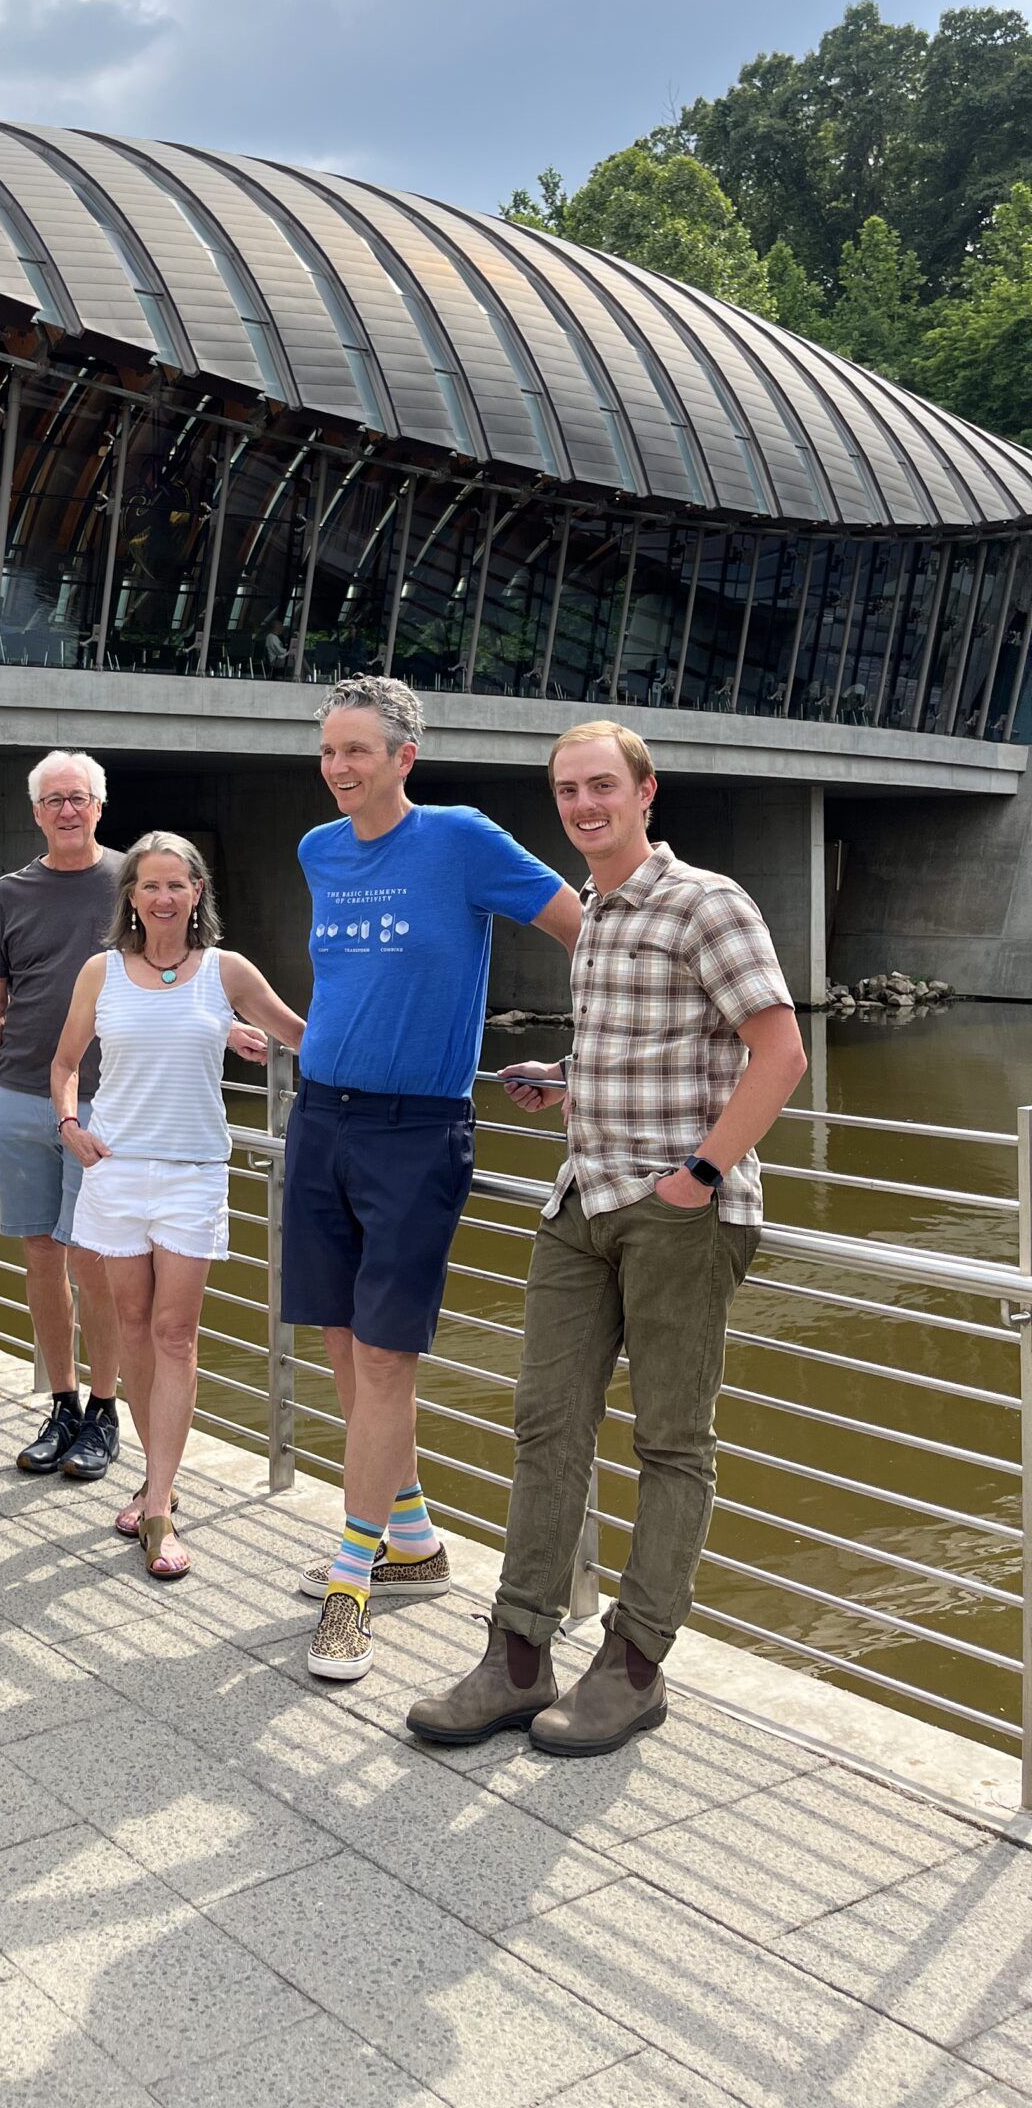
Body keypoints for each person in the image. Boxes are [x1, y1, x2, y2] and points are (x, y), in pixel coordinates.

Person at [408, 720, 806, 1756]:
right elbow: (664, 1049)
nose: (584, 806)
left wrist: (700, 1177)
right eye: (567, 790)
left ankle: (634, 1664)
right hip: (581, 1200)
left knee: (671, 1441)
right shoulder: (592, 911)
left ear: (645, 791)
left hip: (681, 1215)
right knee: (546, 1423)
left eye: (601, 787)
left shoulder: (706, 902)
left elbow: (781, 1052)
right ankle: (518, 1652)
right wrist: (572, 1085)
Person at [288, 677, 583, 1684]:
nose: (339, 767)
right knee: (338, 1338)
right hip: (319, 1115)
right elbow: (346, 985)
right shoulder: (318, 851)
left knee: (385, 1361)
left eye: (358, 750)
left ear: (404, 757)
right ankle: (409, 1538)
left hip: (417, 1131)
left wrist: (591, 1060)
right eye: (329, 750)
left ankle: (349, 1583)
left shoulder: (461, 839)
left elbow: (590, 931)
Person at [53, 834, 304, 1579]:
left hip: (193, 1174)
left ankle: (158, 1505)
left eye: (177, 885)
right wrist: (70, 1125)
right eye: (150, 885)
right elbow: (65, 1063)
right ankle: (155, 1479)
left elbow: (300, 1034)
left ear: (198, 894)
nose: (163, 898)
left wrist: (382, 1063)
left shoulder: (224, 973)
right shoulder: (101, 973)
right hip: (116, 1172)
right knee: (131, 1326)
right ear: (130, 895)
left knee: (175, 1332)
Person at [0, 751, 125, 1481]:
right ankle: (61, 1403)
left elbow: (182, 971)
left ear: (100, 805)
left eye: (80, 797)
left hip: (104, 1103)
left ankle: (104, 1410)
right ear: (36, 812)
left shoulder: (135, 882)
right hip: (20, 1099)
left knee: (92, 1261)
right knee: (39, 1255)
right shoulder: (9, 892)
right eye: (54, 800)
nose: (68, 810)